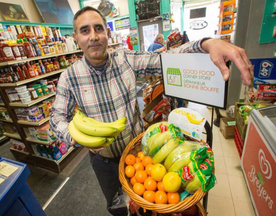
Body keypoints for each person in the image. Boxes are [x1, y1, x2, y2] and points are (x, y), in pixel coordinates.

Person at [49, 6, 253, 216]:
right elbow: (56, 118)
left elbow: (165, 59)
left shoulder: (125, 59)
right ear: (75, 37)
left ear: (107, 33)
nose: (93, 36)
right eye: (85, 31)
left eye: (98, 28)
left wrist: (207, 43)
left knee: (148, 205)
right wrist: (73, 136)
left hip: (141, 154)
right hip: (103, 162)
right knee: (117, 206)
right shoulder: (69, 78)